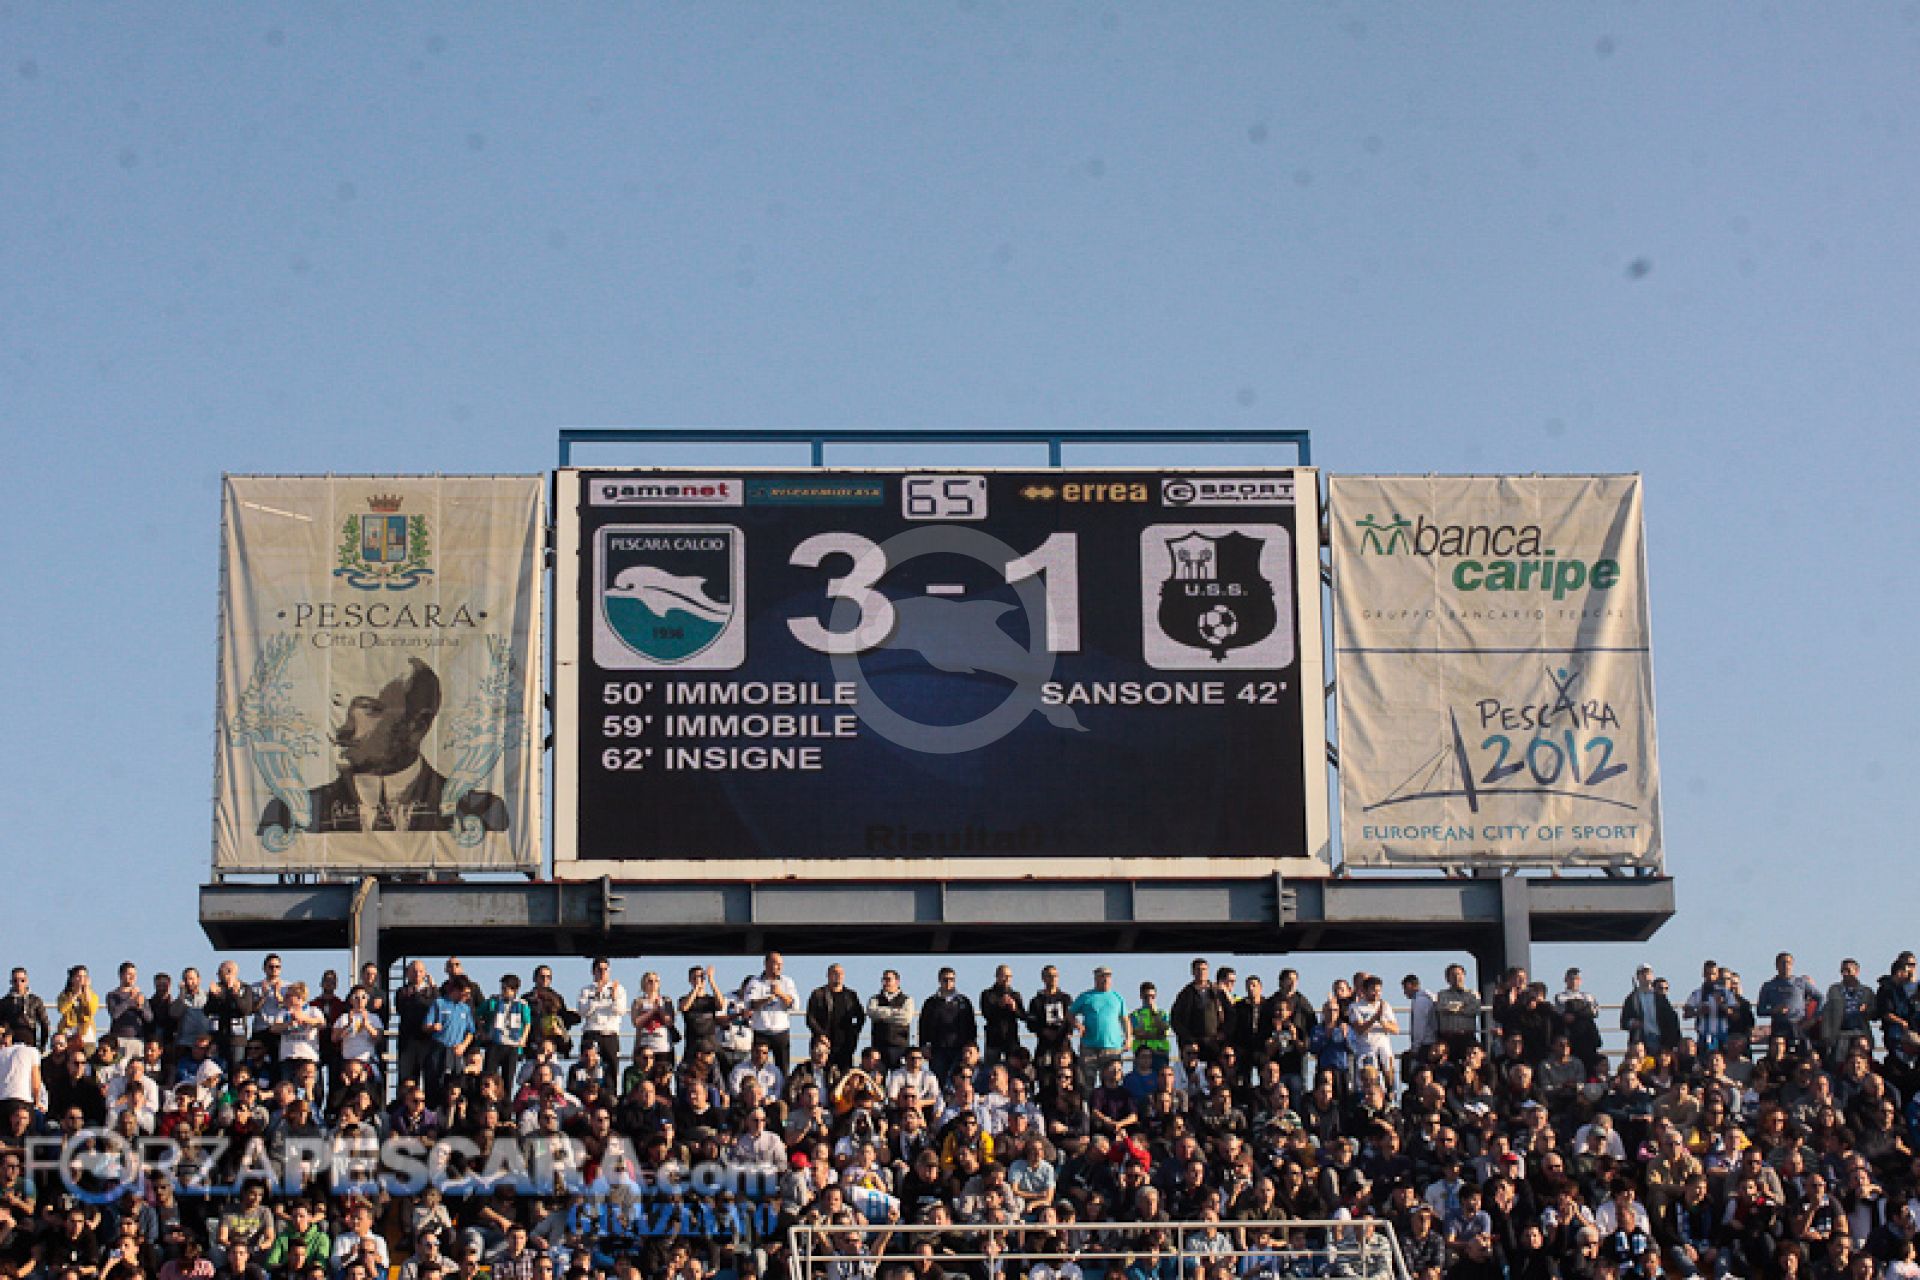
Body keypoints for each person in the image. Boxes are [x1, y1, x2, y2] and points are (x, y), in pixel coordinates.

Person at [257, 657, 508, 836]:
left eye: (369, 709)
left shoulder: (481, 813)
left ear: (417, 726)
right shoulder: (288, 815)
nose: (342, 729)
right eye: (338, 705)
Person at [739, 952, 800, 1073]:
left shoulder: (787, 982)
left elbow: (795, 1005)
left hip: (781, 1031)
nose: (779, 967)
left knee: (783, 1069)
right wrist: (766, 999)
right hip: (761, 1031)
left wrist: (780, 994)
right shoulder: (755, 982)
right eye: (776, 963)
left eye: (781, 964)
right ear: (766, 964)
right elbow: (749, 1004)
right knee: (757, 1066)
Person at [1071, 966, 1129, 1089]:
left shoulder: (1117, 998)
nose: (1105, 979)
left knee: (1111, 1082)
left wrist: (1129, 1038)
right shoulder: (1086, 996)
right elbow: (1070, 1014)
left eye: (1108, 976)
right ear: (1096, 978)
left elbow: (1125, 1020)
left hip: (1112, 1047)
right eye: (1102, 976)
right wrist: (1078, 1025)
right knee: (1087, 1082)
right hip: (1089, 1046)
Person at [918, 968, 976, 1088]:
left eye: (951, 979)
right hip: (937, 1050)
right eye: (945, 979)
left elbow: (971, 1025)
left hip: (960, 1049)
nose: (949, 982)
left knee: (959, 1081)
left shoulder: (964, 1002)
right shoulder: (931, 1003)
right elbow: (923, 1026)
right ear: (939, 980)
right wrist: (923, 1045)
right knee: (938, 1081)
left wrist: (972, 1046)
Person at [577, 957, 625, 1089]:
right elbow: (582, 1011)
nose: (603, 972)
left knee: (611, 1069)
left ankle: (611, 1097)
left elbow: (620, 1010)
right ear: (593, 972)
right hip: (591, 1033)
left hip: (610, 1034)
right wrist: (596, 996)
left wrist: (614, 997)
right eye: (599, 969)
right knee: (587, 1068)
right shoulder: (586, 990)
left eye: (605, 969)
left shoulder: (618, 989)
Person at [807, 965, 866, 1071]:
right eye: (835, 972)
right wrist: (821, 1035)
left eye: (841, 973)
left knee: (845, 1075)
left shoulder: (851, 995)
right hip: (823, 1044)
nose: (838, 975)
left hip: (845, 1045)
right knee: (821, 1074)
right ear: (828, 975)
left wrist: (854, 1033)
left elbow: (860, 1016)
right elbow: (810, 1018)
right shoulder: (818, 994)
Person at [1171, 959, 1230, 1063]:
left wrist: (1224, 1032)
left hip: (1215, 1043)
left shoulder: (1217, 992)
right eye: (1198, 969)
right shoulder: (1185, 994)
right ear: (1193, 972)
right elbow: (1175, 1019)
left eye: (1204, 969)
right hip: (1193, 1045)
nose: (1201, 972)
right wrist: (1187, 1038)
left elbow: (1230, 1014)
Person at [1756, 952, 1819, 1049]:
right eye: (1783, 963)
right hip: (1779, 1026)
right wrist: (1774, 1010)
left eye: (1789, 963)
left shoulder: (1801, 983)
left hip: (1798, 1025)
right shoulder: (1768, 986)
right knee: (1779, 1053)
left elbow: (1820, 998)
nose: (1786, 966)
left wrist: (1814, 1018)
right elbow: (1760, 1010)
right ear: (1776, 965)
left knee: (1802, 1053)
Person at [867, 970, 915, 1069]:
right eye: (883, 979)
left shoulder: (907, 1000)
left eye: (888, 979)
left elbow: (906, 1017)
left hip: (899, 1047)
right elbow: (872, 1013)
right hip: (879, 1046)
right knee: (878, 1076)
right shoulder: (874, 999)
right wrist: (895, 1012)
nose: (885, 982)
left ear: (897, 981)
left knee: (898, 1076)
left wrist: (882, 1013)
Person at [0, 969, 49, 1051]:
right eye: (15, 981)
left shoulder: (35, 1000)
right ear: (11, 982)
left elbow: (45, 1024)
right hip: (9, 1045)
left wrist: (42, 1045)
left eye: (22, 980)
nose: (19, 983)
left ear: (27, 981)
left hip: (30, 1042)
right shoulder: (4, 1002)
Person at [1130, 983, 1173, 1071]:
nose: (1149, 999)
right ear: (1141, 996)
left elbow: (1165, 1031)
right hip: (1141, 1054)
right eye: (1146, 997)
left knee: (1162, 1077)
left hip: (1160, 1052)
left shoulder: (1162, 1014)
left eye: (1152, 997)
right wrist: (1156, 1033)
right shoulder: (1135, 1015)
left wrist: (1155, 1014)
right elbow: (1137, 1032)